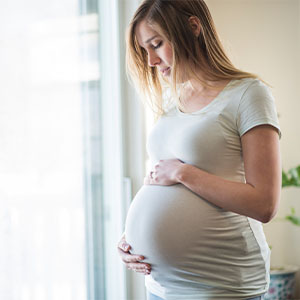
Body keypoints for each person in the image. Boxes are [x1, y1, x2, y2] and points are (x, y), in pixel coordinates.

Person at [117, 1, 281, 299]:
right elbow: (159, 178)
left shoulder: (249, 94)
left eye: (157, 44)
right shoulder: (170, 99)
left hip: (220, 286)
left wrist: (184, 173)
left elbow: (264, 204)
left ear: (193, 28)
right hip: (159, 287)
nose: (151, 61)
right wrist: (131, 238)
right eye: (145, 50)